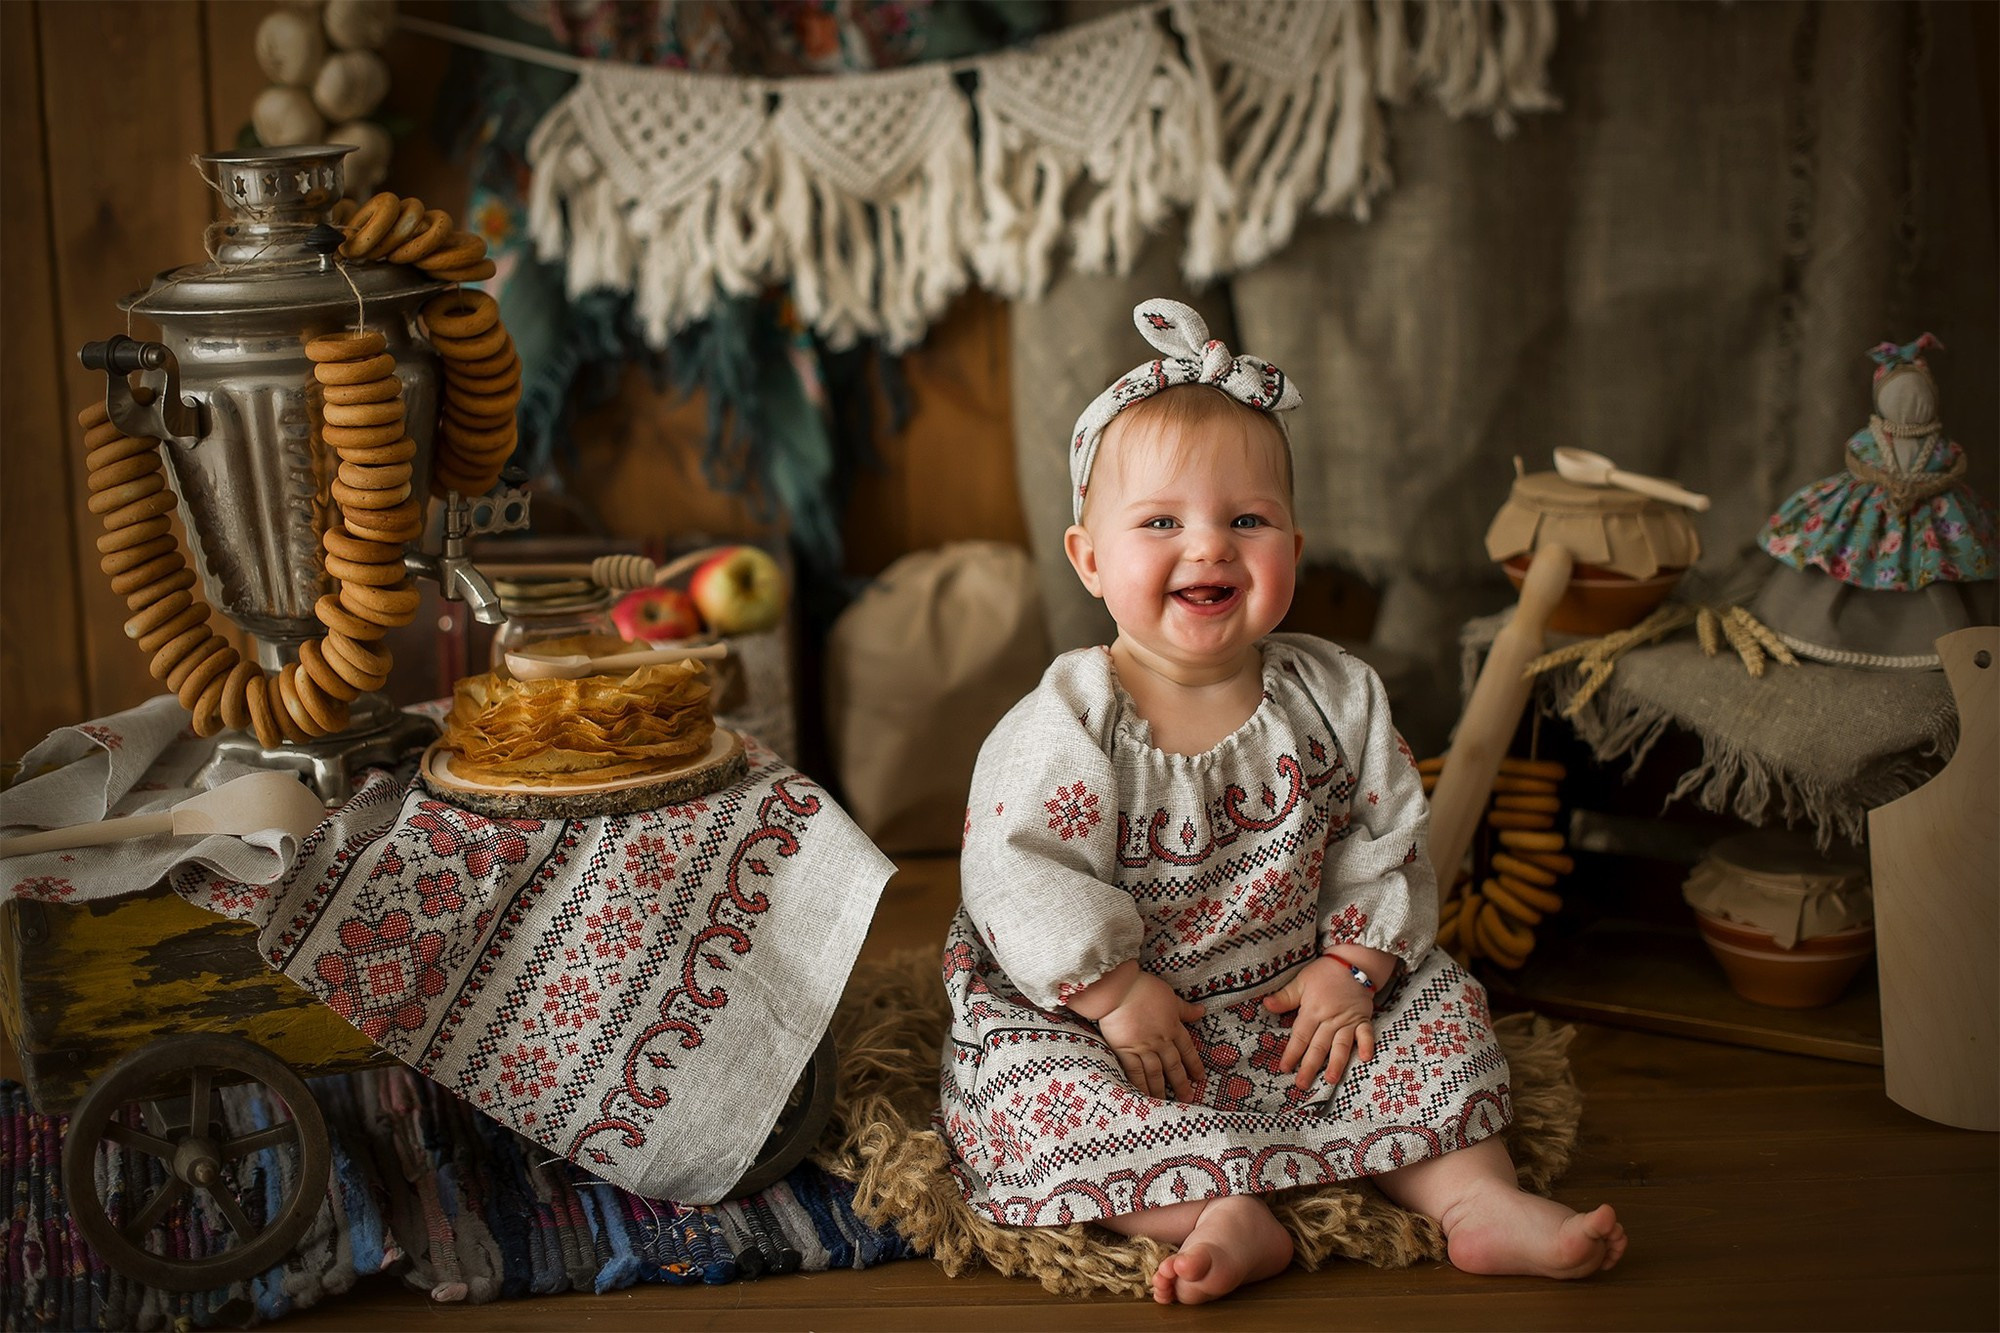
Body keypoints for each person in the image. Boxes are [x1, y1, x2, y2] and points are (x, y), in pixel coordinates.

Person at [936, 299, 1626, 1305]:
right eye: (1161, 522)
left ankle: (1474, 1199)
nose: (1209, 547)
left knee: (1437, 1016)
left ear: (1290, 555)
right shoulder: (1069, 718)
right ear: (1089, 559)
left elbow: (1383, 835)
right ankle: (1215, 1211)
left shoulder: (1334, 694)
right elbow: (1015, 871)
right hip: (1122, 1020)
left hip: (1297, 997)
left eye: (1245, 521)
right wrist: (1114, 995)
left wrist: (1351, 965)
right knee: (1023, 1094)